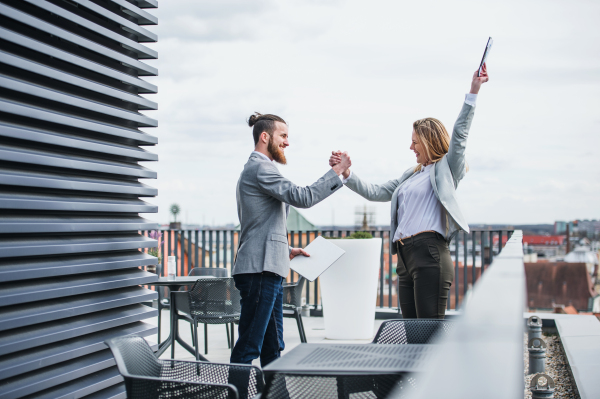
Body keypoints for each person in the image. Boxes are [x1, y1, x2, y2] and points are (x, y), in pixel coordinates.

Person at [329, 64, 489, 319]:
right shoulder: (411, 175)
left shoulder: (447, 169)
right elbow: (375, 192)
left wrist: (473, 91)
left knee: (428, 336)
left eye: (415, 141)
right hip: (404, 258)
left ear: (428, 141)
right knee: (411, 334)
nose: (411, 146)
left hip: (430, 254)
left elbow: (460, 136)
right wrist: (346, 173)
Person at [231, 112, 351, 366]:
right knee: (249, 345)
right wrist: (336, 172)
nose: (287, 142)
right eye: (283, 136)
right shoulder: (260, 167)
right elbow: (302, 197)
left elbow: (260, 223)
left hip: (268, 268)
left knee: (273, 347)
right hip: (259, 271)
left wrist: (284, 249)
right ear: (265, 137)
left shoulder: (260, 169)